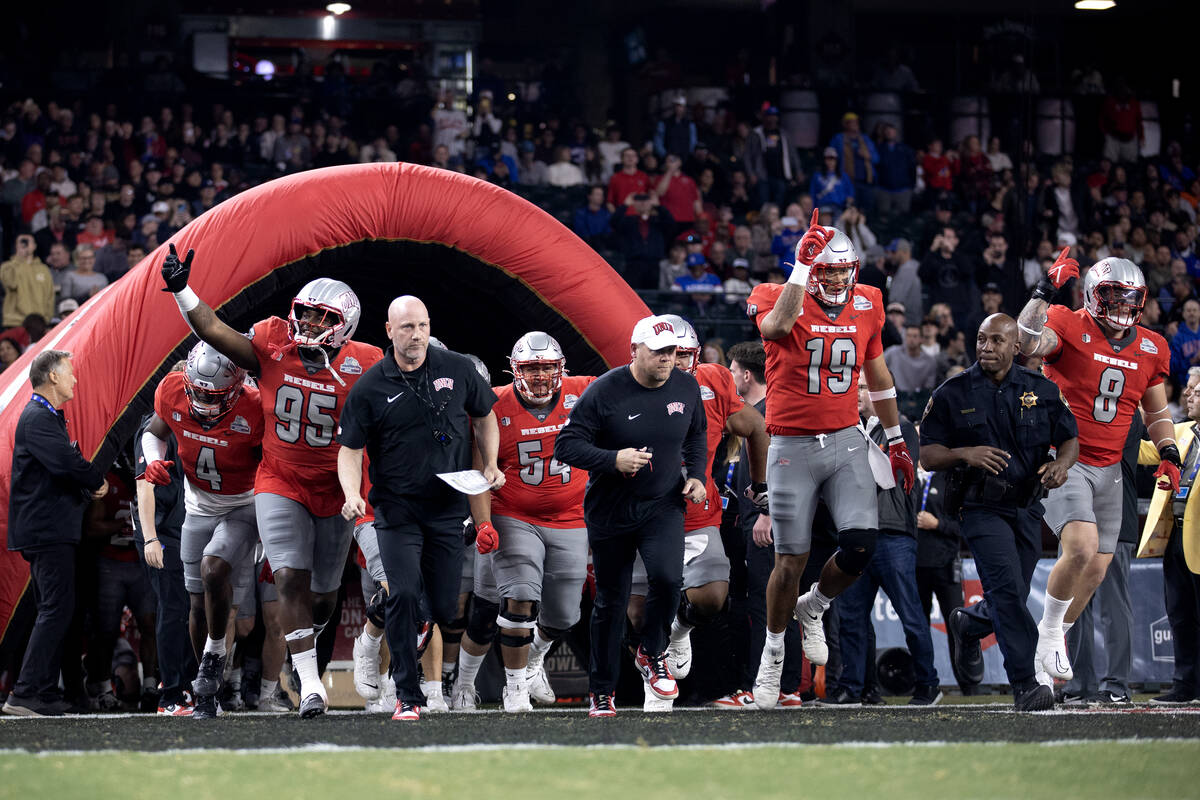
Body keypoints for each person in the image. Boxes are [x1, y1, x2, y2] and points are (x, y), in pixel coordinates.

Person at [161, 244, 383, 718]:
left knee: (322, 597)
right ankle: (310, 686)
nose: (309, 326)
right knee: (288, 580)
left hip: (335, 490)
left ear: (345, 324)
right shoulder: (271, 340)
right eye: (304, 315)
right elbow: (215, 331)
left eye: (322, 319)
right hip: (279, 481)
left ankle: (303, 654)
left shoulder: (366, 363)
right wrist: (182, 291)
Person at [745, 208, 916, 710]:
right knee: (790, 560)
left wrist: (895, 438)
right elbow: (776, 328)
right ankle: (774, 652)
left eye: (845, 270)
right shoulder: (774, 294)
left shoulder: (869, 302)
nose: (839, 279)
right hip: (791, 445)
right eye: (828, 270)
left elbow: (878, 374)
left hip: (845, 439)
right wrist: (800, 269)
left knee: (862, 545)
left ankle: (814, 606)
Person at [336, 296, 503, 721]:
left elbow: (485, 416)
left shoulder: (458, 368)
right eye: (408, 327)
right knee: (405, 593)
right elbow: (350, 450)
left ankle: (380, 628)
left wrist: (490, 462)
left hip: (448, 508)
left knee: (445, 608)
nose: (417, 335)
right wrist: (351, 492)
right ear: (389, 331)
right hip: (397, 511)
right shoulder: (370, 387)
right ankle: (407, 695)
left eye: (423, 326)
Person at [1017, 251, 1178, 686]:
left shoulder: (1152, 345)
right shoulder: (1069, 323)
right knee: (1082, 547)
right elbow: (1026, 342)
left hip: (1111, 469)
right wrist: (1043, 291)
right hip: (1065, 459)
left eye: (1131, 298)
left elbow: (1157, 411)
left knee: (1096, 570)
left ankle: (1048, 648)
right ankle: (1050, 631)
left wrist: (1168, 451)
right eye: (1114, 295)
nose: (1124, 306)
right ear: (1092, 294)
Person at [921, 314, 1079, 711]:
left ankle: (968, 624)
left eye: (996, 341)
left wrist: (1061, 465)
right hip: (979, 507)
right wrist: (964, 454)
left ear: (1016, 347)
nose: (986, 347)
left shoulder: (1042, 389)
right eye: (980, 339)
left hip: (1027, 507)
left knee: (1012, 593)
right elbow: (926, 454)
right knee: (1008, 593)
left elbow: (1070, 439)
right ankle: (1026, 685)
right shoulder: (952, 392)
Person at [554, 314, 708, 717]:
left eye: (673, 352)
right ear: (634, 351)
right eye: (658, 352)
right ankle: (601, 691)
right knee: (611, 599)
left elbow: (696, 434)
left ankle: (652, 651)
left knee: (669, 579)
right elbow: (566, 446)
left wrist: (697, 475)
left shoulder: (688, 385)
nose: (667, 359)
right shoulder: (604, 391)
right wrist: (611, 459)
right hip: (612, 508)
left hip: (663, 503)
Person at [627, 317, 769, 711]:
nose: (674, 362)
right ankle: (653, 673)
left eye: (683, 354)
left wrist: (760, 487)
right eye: (665, 353)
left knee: (710, 598)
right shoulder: (626, 386)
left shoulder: (713, 381)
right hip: (641, 514)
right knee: (638, 615)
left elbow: (756, 427)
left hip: (694, 513)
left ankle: (678, 631)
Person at [456, 332, 596, 712]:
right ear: (515, 370)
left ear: (561, 368)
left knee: (566, 614)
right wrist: (483, 523)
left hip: (570, 518)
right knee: (513, 602)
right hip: (513, 514)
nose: (539, 376)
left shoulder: (586, 392)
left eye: (547, 367)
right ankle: (506, 687)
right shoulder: (494, 404)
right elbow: (478, 471)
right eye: (531, 368)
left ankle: (534, 659)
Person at [138, 342, 264, 719]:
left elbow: (277, 462)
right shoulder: (173, 388)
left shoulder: (255, 406)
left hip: (243, 503)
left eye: (215, 394)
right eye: (199, 392)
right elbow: (155, 432)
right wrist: (154, 460)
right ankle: (206, 687)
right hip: (198, 507)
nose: (204, 402)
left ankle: (213, 658)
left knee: (213, 568)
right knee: (194, 603)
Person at [3, 350, 108, 717]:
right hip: (46, 530)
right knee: (56, 608)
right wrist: (95, 480)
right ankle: (27, 692)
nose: (74, 379)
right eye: (69, 373)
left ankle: (42, 690)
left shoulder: (41, 417)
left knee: (57, 608)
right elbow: (65, 462)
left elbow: (58, 467)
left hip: (47, 527)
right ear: (51, 377)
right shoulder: (37, 418)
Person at [1061, 415, 1143, 705]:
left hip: (1114, 518)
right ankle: (1079, 683)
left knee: (1113, 604)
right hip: (1075, 519)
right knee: (1073, 605)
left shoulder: (1123, 411)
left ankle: (1116, 684)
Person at [1136, 367, 1200, 705]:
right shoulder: (1180, 431)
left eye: (1195, 390)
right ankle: (1185, 685)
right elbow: (1145, 451)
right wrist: (1123, 418)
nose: (1187, 395)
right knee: (1180, 614)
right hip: (1175, 535)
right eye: (1188, 389)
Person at [131, 392, 194, 716]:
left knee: (185, 609)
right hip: (161, 531)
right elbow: (145, 487)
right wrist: (150, 538)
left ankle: (182, 683)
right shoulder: (153, 431)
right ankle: (170, 693)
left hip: (182, 528)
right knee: (172, 609)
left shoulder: (188, 425)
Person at [1, 234, 55, 329]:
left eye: (27, 242)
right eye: (22, 242)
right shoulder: (7, 267)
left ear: (34, 246)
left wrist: (47, 318)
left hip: (40, 322)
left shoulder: (43, 269)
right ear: (16, 246)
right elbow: (11, 284)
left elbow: (50, 295)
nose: (24, 245)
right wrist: (19, 259)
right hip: (15, 322)